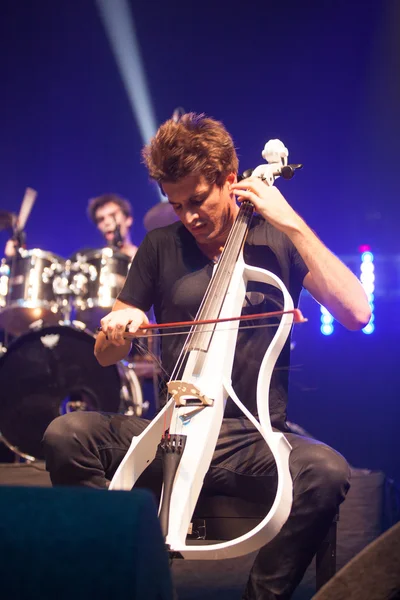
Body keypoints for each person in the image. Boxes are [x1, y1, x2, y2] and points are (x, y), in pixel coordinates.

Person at [43, 113, 371, 600]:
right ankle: (121, 567)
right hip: (171, 429)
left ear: (230, 179)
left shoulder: (278, 239)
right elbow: (106, 355)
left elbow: (356, 312)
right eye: (176, 206)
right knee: (66, 434)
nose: (189, 217)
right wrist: (117, 329)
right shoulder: (159, 246)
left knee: (327, 472)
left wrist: (292, 223)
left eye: (197, 201)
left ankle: (261, 595)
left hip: (248, 438)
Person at [86, 192, 138, 260]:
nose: (107, 222)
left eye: (112, 215)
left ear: (128, 219)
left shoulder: (147, 258)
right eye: (101, 219)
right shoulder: (96, 261)